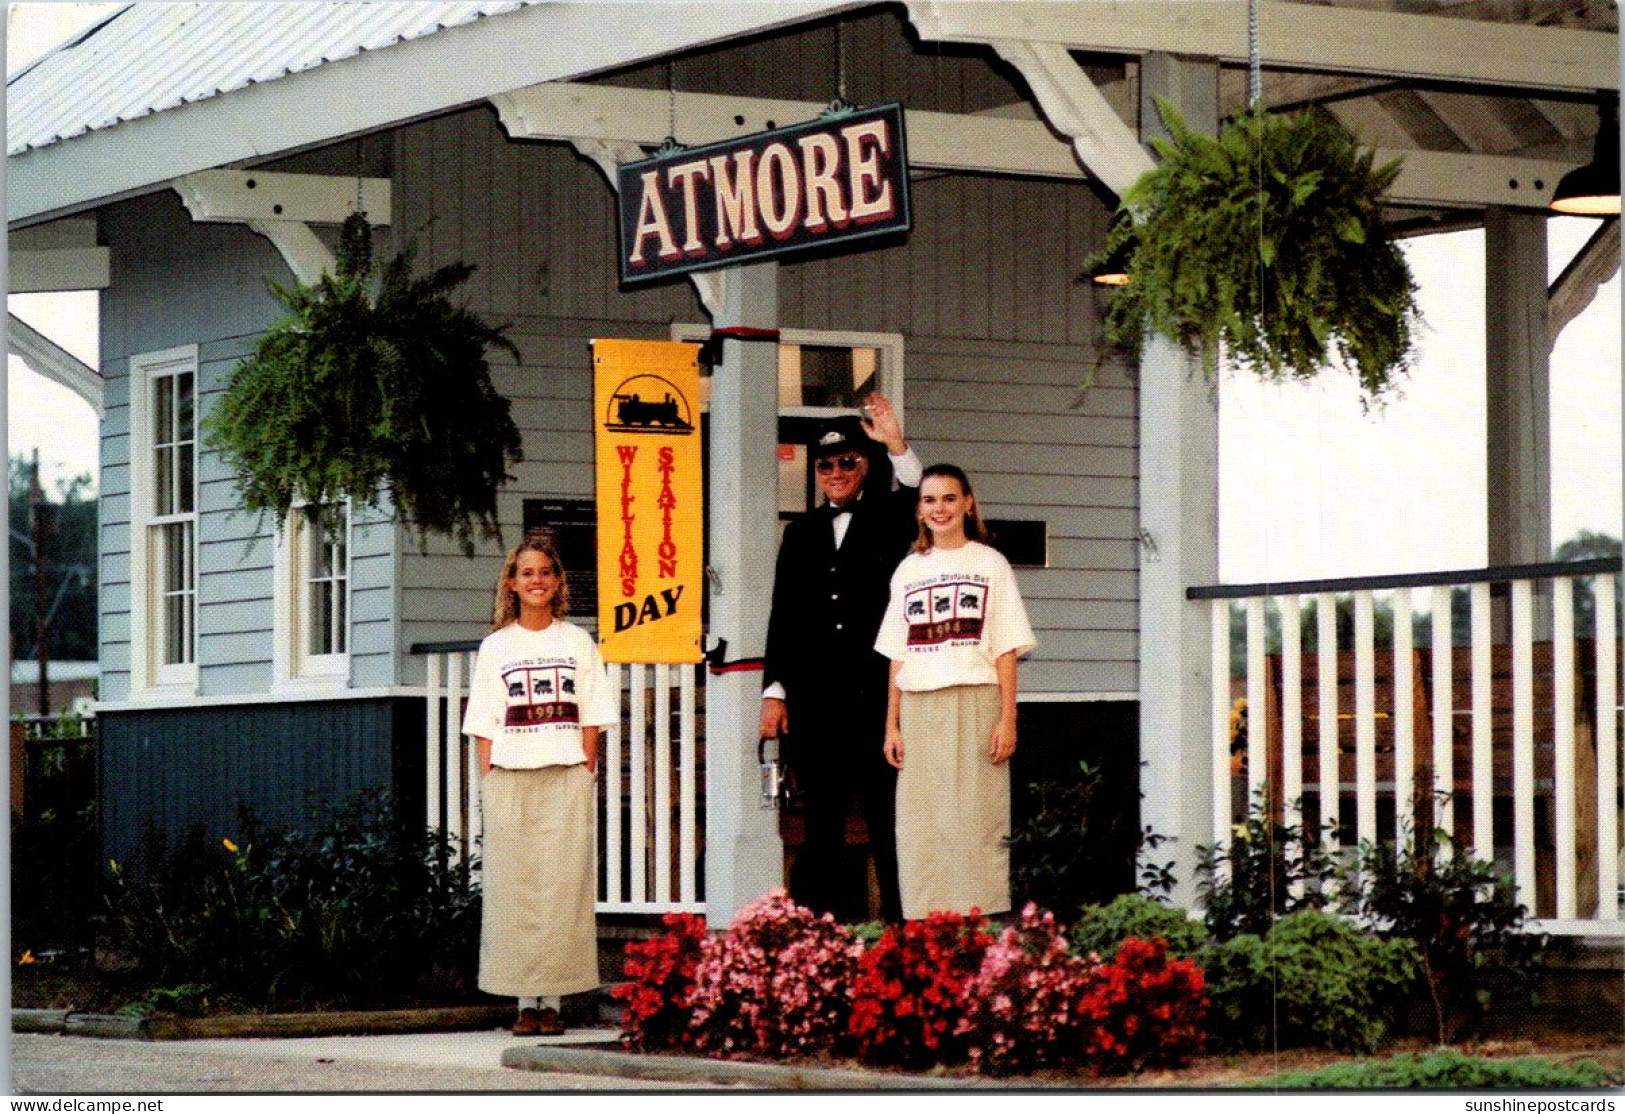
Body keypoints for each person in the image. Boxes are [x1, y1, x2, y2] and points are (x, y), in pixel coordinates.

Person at [760, 392, 920, 924]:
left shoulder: (893, 516)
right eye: (826, 465)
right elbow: (784, 613)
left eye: (848, 461)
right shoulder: (800, 531)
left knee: (887, 815)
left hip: (878, 696)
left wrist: (895, 442)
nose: (836, 472)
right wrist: (774, 691)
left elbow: (924, 494)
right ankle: (820, 936)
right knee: (821, 820)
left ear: (866, 465)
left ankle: (900, 931)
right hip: (815, 699)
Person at [461, 529, 617, 1037]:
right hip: (511, 778)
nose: (537, 581)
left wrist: (585, 767)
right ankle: (525, 1003)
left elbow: (592, 711)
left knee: (562, 890)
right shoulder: (496, 647)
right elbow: (484, 720)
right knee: (514, 891)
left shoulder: (576, 641)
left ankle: (554, 1003)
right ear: (511, 582)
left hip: (565, 775)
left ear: (558, 582)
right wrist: (490, 779)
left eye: (546, 573)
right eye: (527, 572)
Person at [876, 464, 1036, 921]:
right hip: (919, 706)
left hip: (976, 699)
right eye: (929, 500)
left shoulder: (990, 564)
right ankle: (928, 921)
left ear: (968, 502)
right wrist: (892, 724)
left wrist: (1008, 718)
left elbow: (1005, 646)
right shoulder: (909, 570)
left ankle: (977, 919)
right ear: (919, 510)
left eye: (949, 498)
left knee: (975, 816)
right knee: (922, 820)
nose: (939, 509)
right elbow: (897, 654)